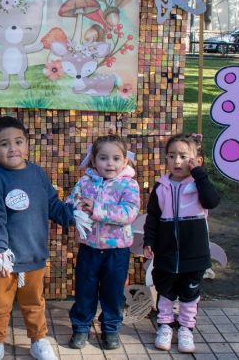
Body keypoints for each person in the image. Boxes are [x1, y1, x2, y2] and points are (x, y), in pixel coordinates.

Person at [0, 116, 83, 360]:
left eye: (18, 141)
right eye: (4, 144)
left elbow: (53, 205)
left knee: (34, 303)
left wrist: (72, 215)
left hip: (34, 256)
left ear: (27, 145)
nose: (12, 148)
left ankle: (38, 340)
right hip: (3, 260)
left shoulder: (37, 174)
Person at [144, 134, 221, 353]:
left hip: (194, 255)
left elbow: (212, 201)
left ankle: (187, 328)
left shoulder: (199, 185)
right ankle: (165, 326)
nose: (177, 161)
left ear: (196, 160)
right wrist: (149, 240)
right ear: (166, 159)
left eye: (183, 156)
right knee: (165, 291)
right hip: (166, 255)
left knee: (189, 294)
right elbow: (152, 218)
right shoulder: (160, 188)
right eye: (171, 156)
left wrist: (199, 174)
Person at [66, 134, 141, 351]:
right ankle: (80, 327)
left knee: (113, 292)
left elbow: (128, 213)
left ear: (125, 161)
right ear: (93, 160)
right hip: (89, 248)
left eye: (116, 158)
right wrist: (75, 207)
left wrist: (97, 208)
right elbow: (71, 202)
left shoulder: (129, 185)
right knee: (85, 289)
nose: (110, 163)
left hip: (116, 251)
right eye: (104, 158)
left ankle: (110, 328)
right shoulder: (84, 182)